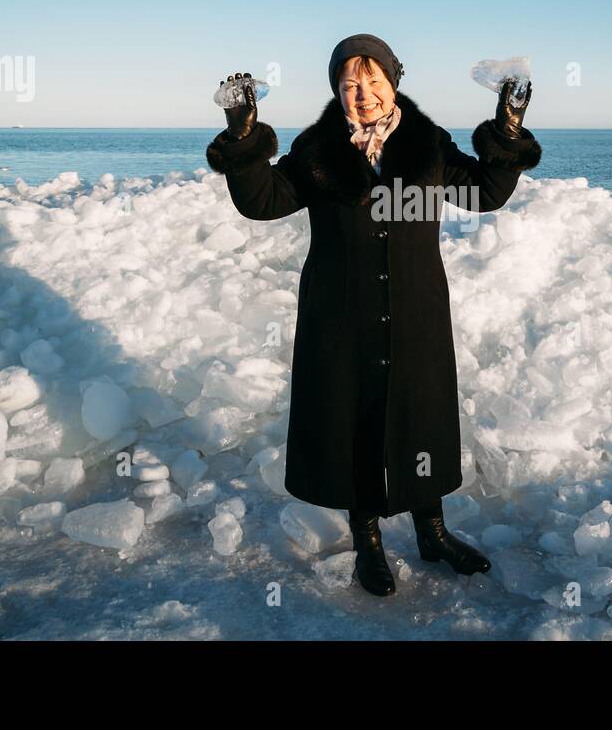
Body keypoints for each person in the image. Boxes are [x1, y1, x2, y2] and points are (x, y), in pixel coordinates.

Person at [205, 33, 541, 596]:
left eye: (373, 81)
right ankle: (368, 543)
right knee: (354, 421)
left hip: (416, 312)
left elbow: (485, 193)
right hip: (340, 315)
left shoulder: (427, 145)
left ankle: (433, 533)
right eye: (349, 84)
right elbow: (262, 201)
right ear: (337, 90)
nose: (362, 94)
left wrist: (507, 132)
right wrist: (243, 139)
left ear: (393, 82)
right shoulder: (317, 151)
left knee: (419, 415)